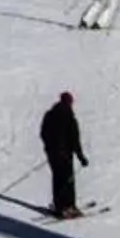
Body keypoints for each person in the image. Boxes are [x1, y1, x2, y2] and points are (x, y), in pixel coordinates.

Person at [41, 90, 89, 219]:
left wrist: (50, 148)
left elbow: (44, 133)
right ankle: (69, 206)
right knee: (68, 181)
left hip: (53, 154)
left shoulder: (49, 115)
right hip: (65, 155)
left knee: (57, 179)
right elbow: (74, 140)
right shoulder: (69, 117)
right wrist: (81, 157)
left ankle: (59, 206)